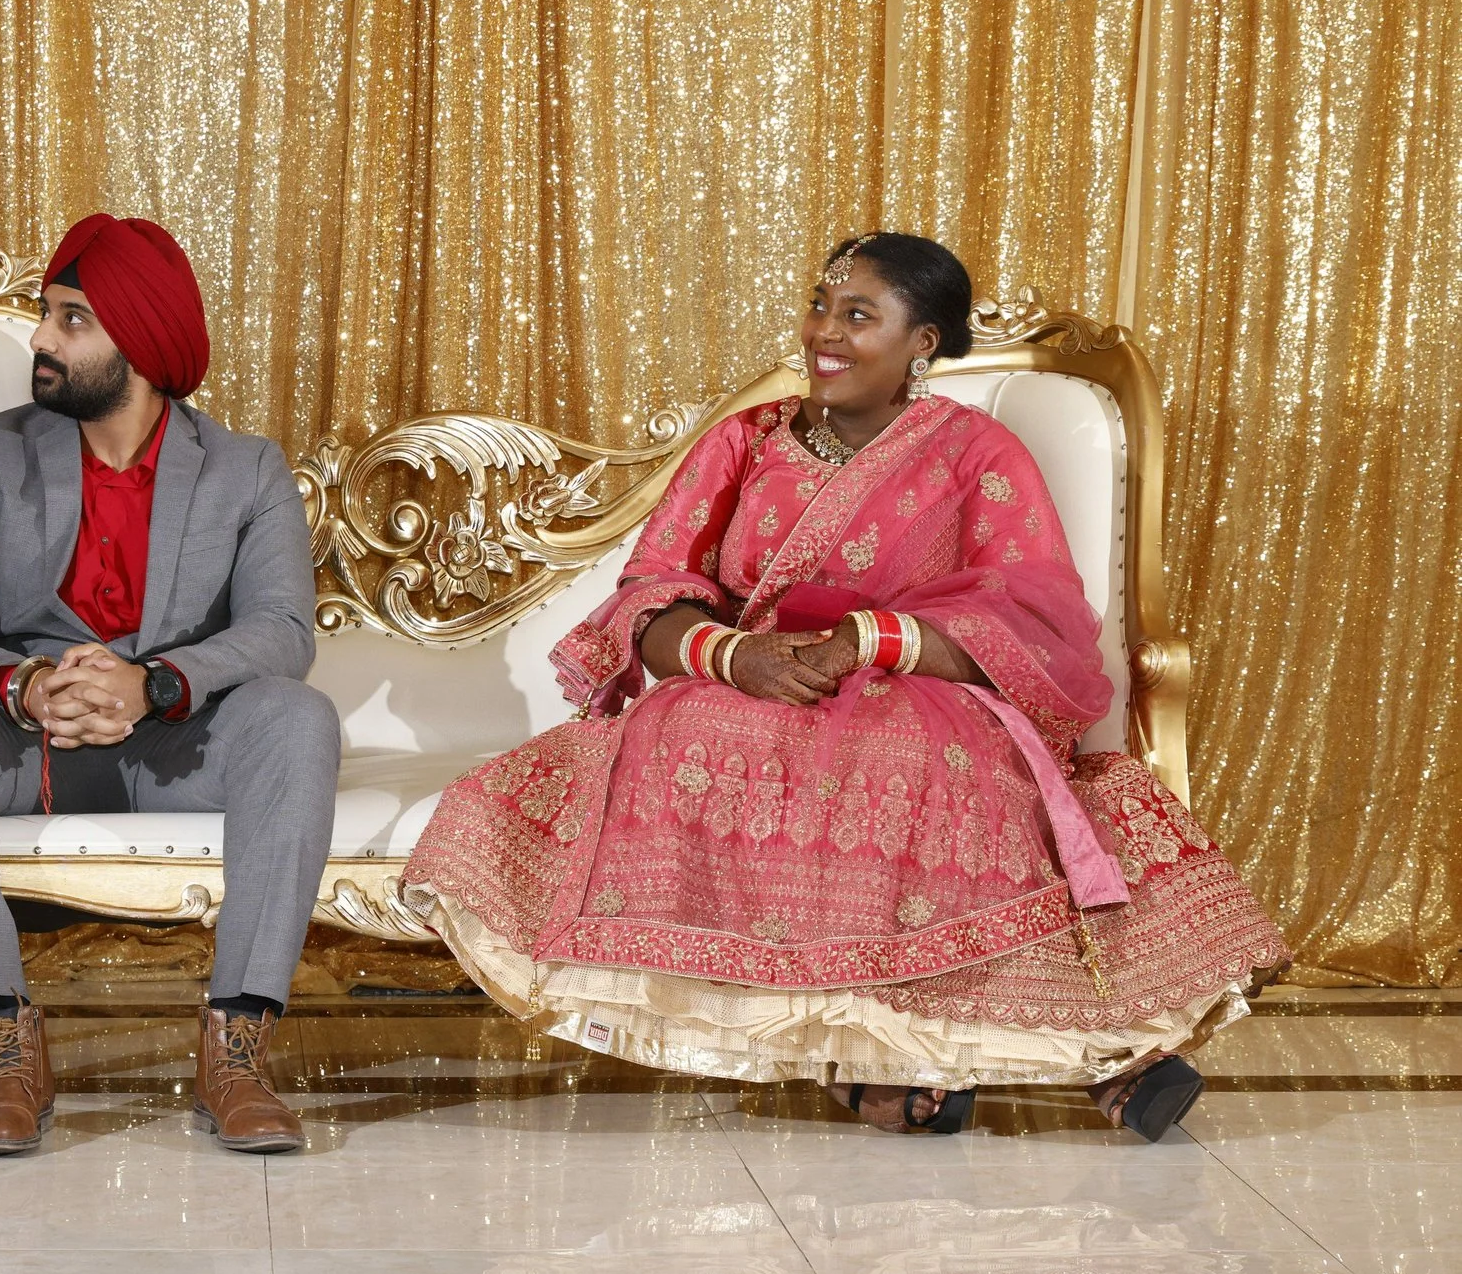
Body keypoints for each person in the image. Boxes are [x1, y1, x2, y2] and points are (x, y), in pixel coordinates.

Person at [404, 234, 1287, 1138]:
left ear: (924, 343)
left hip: (921, 687)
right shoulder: (744, 444)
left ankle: (1063, 1051)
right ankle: (881, 1062)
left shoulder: (976, 453)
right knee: (689, 739)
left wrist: (872, 636)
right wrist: (731, 656)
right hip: (751, 681)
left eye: (858, 315)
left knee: (909, 760)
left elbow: (1040, 620)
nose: (824, 331)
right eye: (820, 307)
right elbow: (653, 589)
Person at [0, 212, 340, 1156]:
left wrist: (157, 682)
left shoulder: (247, 470)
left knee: (298, 719)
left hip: (178, 739)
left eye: (70, 319)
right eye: (47, 314)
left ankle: (236, 1047)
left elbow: (282, 632)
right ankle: (5, 1044)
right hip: (26, 740)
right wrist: (28, 682)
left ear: (139, 340)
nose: (40, 340)